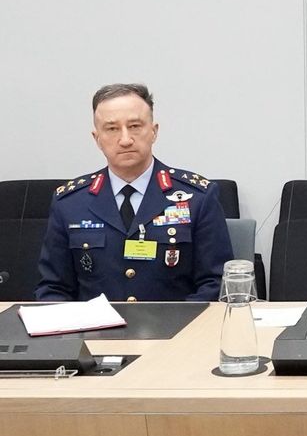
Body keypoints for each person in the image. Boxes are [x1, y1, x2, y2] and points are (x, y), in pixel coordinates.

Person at [36, 83, 233, 302]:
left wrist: (178, 321)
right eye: (112, 129)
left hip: (177, 323)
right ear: (97, 138)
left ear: (154, 131)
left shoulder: (197, 198)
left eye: (135, 126)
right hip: (95, 325)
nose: (125, 140)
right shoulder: (70, 203)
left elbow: (215, 283)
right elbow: (54, 289)